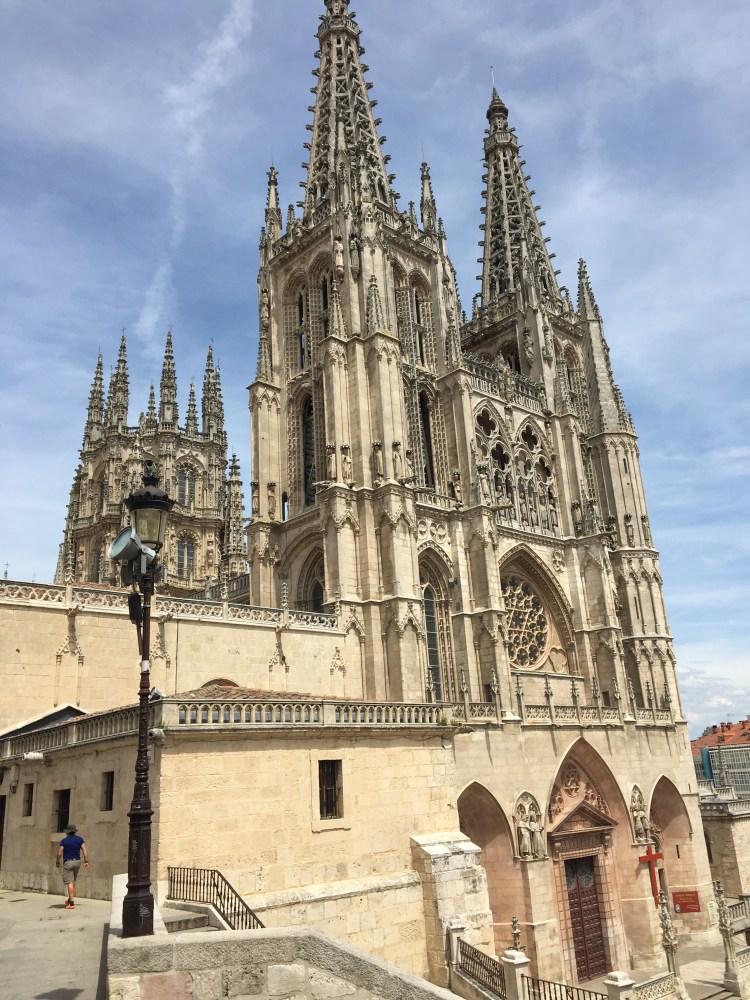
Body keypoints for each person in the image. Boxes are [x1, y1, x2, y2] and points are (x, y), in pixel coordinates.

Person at [56, 823, 89, 909]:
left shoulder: (64, 841)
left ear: (67, 832)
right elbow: (84, 850)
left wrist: (57, 861)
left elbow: (59, 853)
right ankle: (69, 900)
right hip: (77, 862)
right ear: (74, 832)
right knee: (72, 881)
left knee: (70, 882)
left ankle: (71, 903)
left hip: (68, 862)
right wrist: (86, 861)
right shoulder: (80, 839)